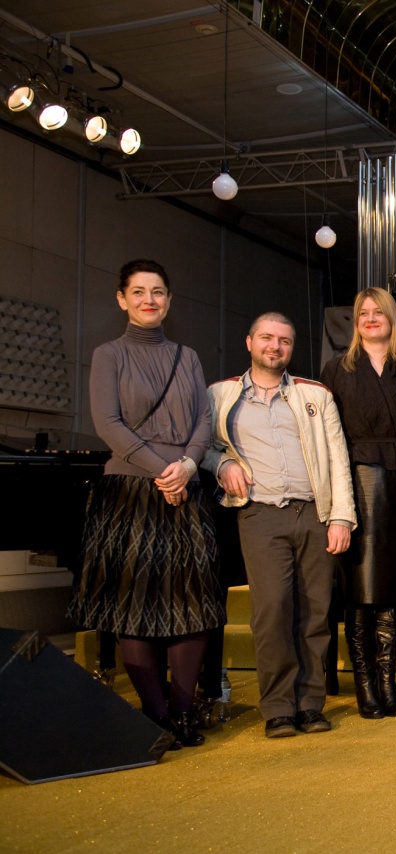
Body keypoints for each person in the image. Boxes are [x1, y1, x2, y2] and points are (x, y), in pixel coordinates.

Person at [69, 258, 225, 749]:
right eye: (138, 292)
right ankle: (155, 716)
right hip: (132, 491)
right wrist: (164, 469)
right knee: (132, 607)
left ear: (169, 300)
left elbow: (203, 419)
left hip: (184, 487)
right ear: (122, 299)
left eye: (157, 291)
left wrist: (188, 464)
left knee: (194, 604)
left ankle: (182, 713)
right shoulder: (109, 354)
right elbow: (108, 424)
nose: (149, 300)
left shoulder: (187, 356)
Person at [205, 313, 356, 738]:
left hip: (314, 513)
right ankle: (277, 708)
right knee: (271, 611)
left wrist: (341, 517)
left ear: (291, 347)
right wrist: (223, 463)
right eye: (267, 338)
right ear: (249, 342)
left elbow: (338, 458)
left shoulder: (315, 394)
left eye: (284, 341)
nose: (275, 346)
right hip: (260, 515)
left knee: (315, 613)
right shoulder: (220, 394)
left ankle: (309, 704)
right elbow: (202, 447)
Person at [321, 287, 396, 719]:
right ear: (356, 321)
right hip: (355, 487)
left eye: (378, 312)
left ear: (392, 319)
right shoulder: (337, 370)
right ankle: (365, 687)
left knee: (392, 589)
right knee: (360, 591)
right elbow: (326, 440)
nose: (371, 318)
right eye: (363, 313)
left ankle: (387, 685)